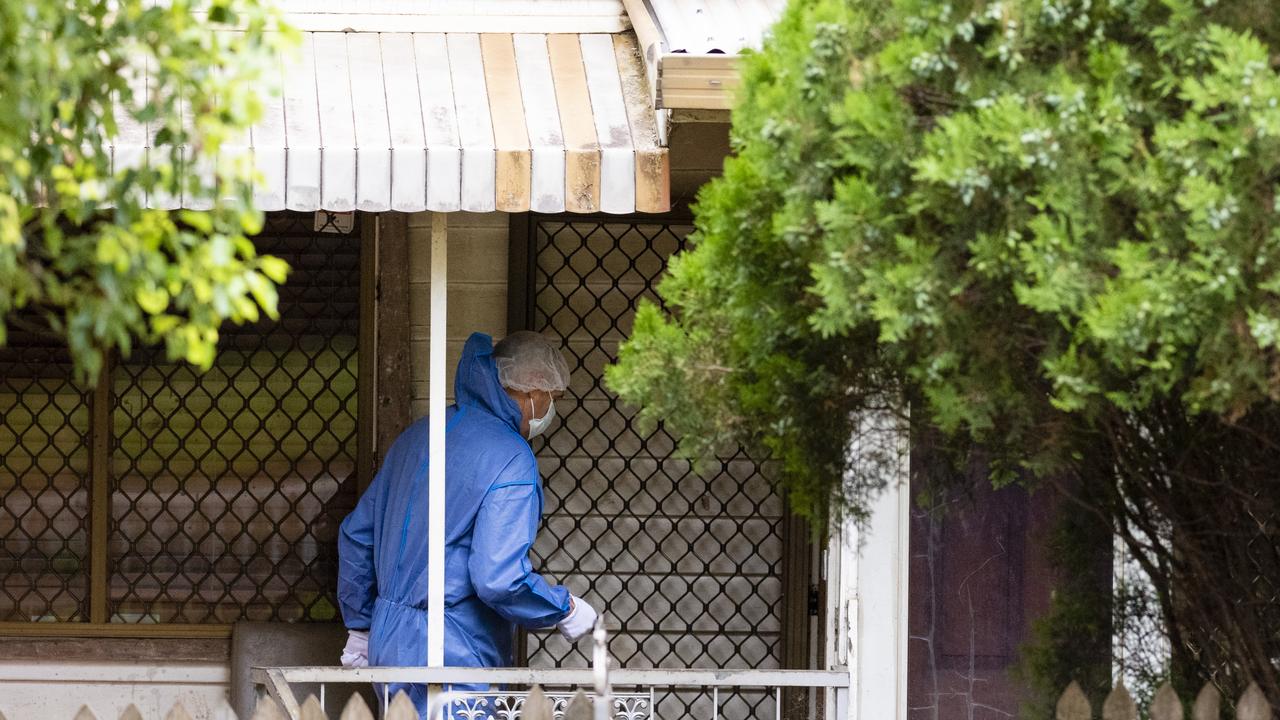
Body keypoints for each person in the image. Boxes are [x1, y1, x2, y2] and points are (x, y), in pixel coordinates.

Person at [335, 331, 598, 714]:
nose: (550, 410)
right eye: (552, 399)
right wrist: (563, 608)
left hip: (387, 641)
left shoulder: (418, 436)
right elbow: (498, 577)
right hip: (452, 647)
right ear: (531, 392)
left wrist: (360, 628)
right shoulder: (511, 458)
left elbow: (357, 536)